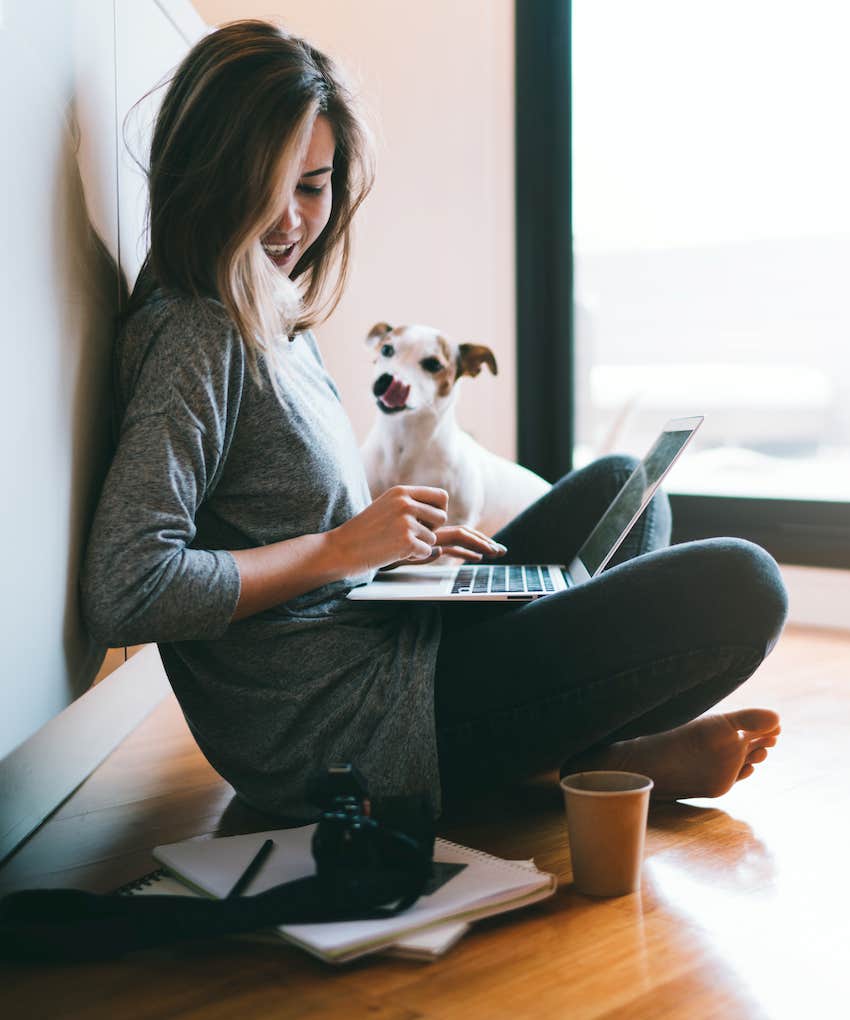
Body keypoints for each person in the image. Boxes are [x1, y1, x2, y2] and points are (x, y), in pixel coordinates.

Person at [82, 21, 787, 821]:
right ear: (204, 170)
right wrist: (342, 548)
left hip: (386, 649)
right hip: (345, 731)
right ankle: (587, 761)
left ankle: (574, 756)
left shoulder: (272, 309)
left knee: (627, 491)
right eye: (265, 187)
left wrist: (397, 567)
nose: (289, 224)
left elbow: (292, 544)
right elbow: (126, 588)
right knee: (743, 583)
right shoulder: (195, 335)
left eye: (312, 188)